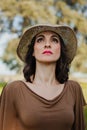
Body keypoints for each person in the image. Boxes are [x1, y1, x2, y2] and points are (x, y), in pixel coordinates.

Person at [0, 24, 86, 130]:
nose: (47, 44)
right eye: (40, 40)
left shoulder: (74, 89)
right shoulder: (13, 90)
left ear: (60, 50)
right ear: (32, 51)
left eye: (54, 40)